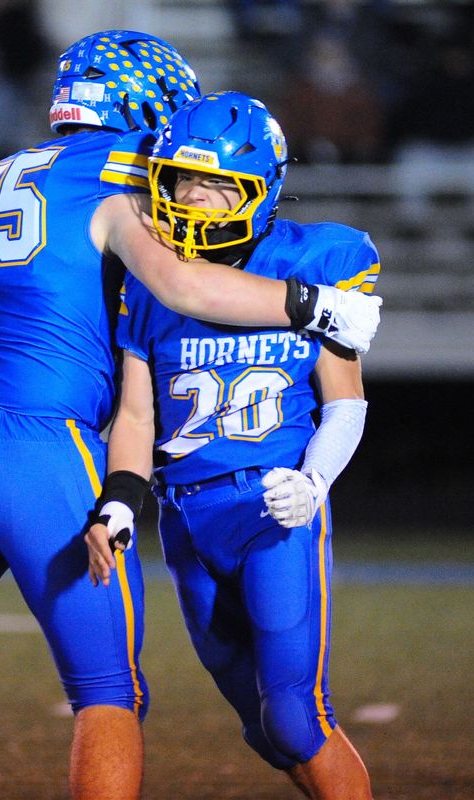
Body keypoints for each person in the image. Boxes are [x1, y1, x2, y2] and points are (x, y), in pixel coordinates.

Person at [0, 32, 380, 800]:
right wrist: (313, 304)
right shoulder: (124, 174)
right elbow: (185, 285)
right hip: (43, 446)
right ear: (143, 101)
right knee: (109, 690)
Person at [86, 91, 378, 799]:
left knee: (298, 720)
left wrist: (312, 484)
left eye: (220, 185)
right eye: (184, 180)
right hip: (184, 518)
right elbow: (133, 413)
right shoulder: (149, 279)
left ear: (261, 192)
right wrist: (118, 502)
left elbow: (346, 402)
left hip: (273, 509)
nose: (196, 200)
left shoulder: (314, 258)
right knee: (261, 727)